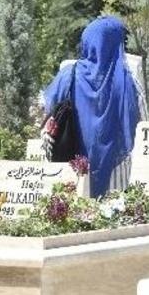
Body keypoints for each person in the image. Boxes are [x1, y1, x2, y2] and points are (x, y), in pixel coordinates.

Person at [43, 16, 143, 197]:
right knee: (114, 217)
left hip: (73, 167)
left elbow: (48, 113)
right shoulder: (129, 82)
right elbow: (144, 126)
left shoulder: (69, 75)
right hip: (117, 171)